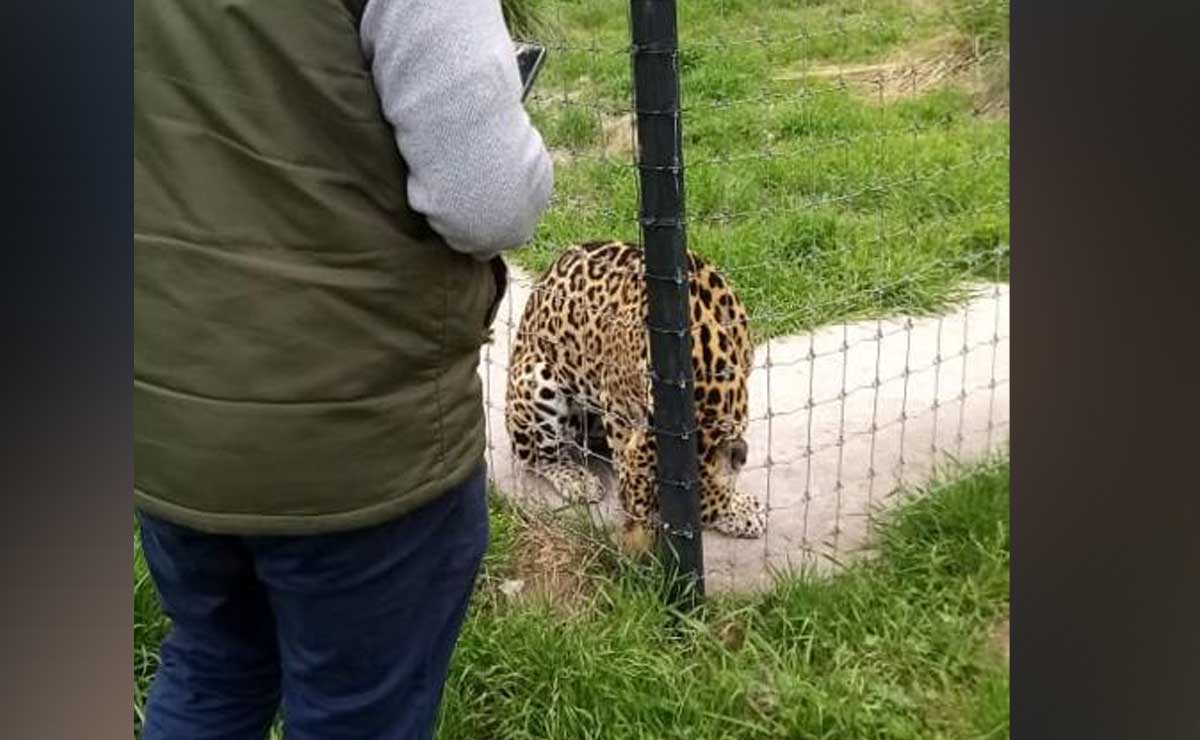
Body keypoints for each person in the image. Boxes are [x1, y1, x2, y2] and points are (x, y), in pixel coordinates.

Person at [134, 0, 552, 737]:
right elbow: (487, 202)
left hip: (166, 420)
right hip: (357, 447)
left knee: (211, 665)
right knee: (356, 712)